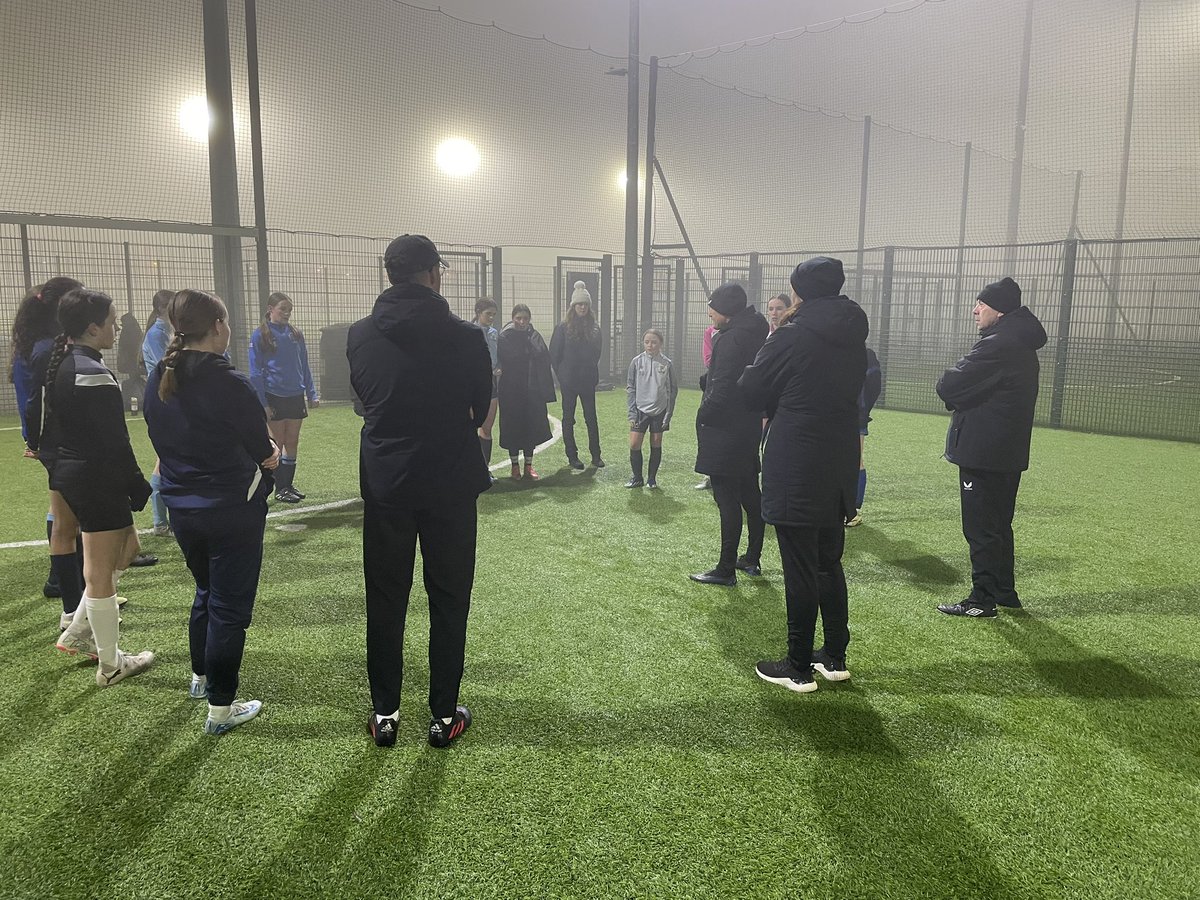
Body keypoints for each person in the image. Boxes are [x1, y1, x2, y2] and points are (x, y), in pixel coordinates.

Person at [347, 234, 491, 748]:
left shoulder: (359, 335)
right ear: (433, 273)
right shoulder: (468, 337)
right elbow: (479, 406)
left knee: (385, 598)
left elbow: (365, 399)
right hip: (450, 481)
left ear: (390, 274)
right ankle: (443, 714)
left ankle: (385, 712)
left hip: (387, 482)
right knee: (449, 599)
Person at [144, 289, 277, 734]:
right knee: (228, 607)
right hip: (231, 508)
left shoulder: (159, 376)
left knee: (205, 590)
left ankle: (201, 678)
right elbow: (263, 449)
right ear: (217, 326)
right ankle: (221, 708)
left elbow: (158, 438)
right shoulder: (229, 382)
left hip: (182, 506)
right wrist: (272, 455)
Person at [739, 257, 868, 693]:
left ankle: (797, 666)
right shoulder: (853, 336)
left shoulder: (792, 337)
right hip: (838, 460)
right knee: (828, 562)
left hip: (797, 461)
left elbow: (751, 389)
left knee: (799, 567)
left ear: (801, 292)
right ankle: (834, 656)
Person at [33, 288, 156, 686]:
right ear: (92, 327)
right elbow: (113, 440)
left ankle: (78, 632)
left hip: (73, 474)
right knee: (103, 569)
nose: (117, 327)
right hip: (96, 478)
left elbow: (49, 429)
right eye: (112, 321)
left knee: (123, 553)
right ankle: (111, 664)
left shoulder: (66, 363)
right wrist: (137, 485)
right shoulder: (92, 372)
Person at [935, 277, 1046, 618]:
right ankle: (1004, 592)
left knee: (981, 526)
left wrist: (958, 396)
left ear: (998, 309)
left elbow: (949, 385)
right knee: (998, 524)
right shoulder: (1019, 341)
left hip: (984, 452)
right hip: (1006, 452)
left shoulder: (998, 343)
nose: (975, 310)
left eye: (980, 304)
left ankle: (981, 599)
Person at [690, 283, 769, 585]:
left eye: (713, 308)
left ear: (726, 311)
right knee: (750, 493)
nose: (710, 314)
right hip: (747, 425)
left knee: (727, 499)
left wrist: (703, 414)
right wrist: (706, 380)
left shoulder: (730, 338)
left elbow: (722, 386)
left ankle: (725, 569)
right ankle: (752, 557)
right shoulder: (754, 331)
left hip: (725, 429)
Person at [13, 278, 80, 604]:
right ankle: (65, 585)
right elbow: (35, 403)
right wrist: (38, 441)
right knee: (67, 515)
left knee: (65, 511)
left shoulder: (35, 344)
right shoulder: (45, 351)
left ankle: (70, 582)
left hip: (48, 441)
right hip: (56, 443)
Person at [249, 291, 319, 503]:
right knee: (277, 442)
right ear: (270, 309)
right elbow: (255, 372)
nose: (287, 313)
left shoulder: (295, 334)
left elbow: (304, 365)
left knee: (292, 440)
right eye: (283, 309)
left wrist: (311, 392)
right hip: (274, 395)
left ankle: (286, 485)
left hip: (295, 395)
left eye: (289, 310)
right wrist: (263, 403)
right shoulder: (260, 334)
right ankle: (274, 487)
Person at [497, 303, 555, 481]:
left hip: (532, 391)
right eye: (518, 318)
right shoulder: (505, 337)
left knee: (531, 427)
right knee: (513, 427)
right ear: (513, 318)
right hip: (510, 391)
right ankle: (514, 466)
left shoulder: (534, 336)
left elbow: (544, 359)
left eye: (525, 318)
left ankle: (528, 466)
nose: (522, 322)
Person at [550, 282, 604, 470]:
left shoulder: (595, 328)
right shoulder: (562, 328)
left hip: (588, 381)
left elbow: (597, 353)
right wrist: (563, 376)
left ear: (589, 307)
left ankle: (596, 456)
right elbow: (554, 355)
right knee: (568, 418)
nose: (582, 307)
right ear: (573, 306)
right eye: (579, 304)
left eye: (585, 304)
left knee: (591, 418)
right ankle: (572, 457)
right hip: (569, 382)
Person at [625, 328, 678, 489]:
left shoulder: (667, 364)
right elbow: (631, 387)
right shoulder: (636, 361)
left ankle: (652, 479)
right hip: (640, 410)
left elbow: (672, 390)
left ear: (660, 343)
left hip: (659, 410)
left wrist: (668, 414)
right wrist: (632, 413)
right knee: (634, 444)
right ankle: (637, 478)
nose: (650, 345)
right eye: (647, 342)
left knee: (656, 442)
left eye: (654, 342)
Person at [140, 289, 174, 535]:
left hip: (169, 399)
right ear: (164, 309)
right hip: (163, 401)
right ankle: (160, 521)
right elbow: (167, 365)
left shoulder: (167, 332)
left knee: (165, 459)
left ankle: (162, 520)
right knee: (163, 460)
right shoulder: (156, 334)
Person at [846, 346, 882, 527]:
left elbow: (875, 385)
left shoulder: (866, 354)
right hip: (835, 416)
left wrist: (864, 409)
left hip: (856, 416)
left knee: (856, 460)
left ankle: (854, 510)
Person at [471, 297, 501, 476]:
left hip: (490, 383)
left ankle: (485, 470)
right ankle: (469, 469)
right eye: (488, 314)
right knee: (468, 428)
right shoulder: (468, 332)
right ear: (478, 313)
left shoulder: (494, 333)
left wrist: (499, 366)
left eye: (493, 315)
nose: (491, 318)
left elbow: (498, 357)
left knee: (487, 427)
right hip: (472, 385)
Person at [694, 323, 717, 490]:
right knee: (708, 428)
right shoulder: (710, 332)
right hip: (714, 383)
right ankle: (709, 475)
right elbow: (708, 360)